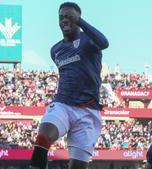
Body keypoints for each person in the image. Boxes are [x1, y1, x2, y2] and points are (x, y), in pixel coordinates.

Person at [27, 2, 109, 169]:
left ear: (78, 18)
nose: (64, 19)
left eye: (69, 16)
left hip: (88, 111)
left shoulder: (89, 40)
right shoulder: (55, 50)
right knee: (42, 138)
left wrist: (80, 21)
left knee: (78, 166)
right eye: (61, 17)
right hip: (63, 104)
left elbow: (105, 43)